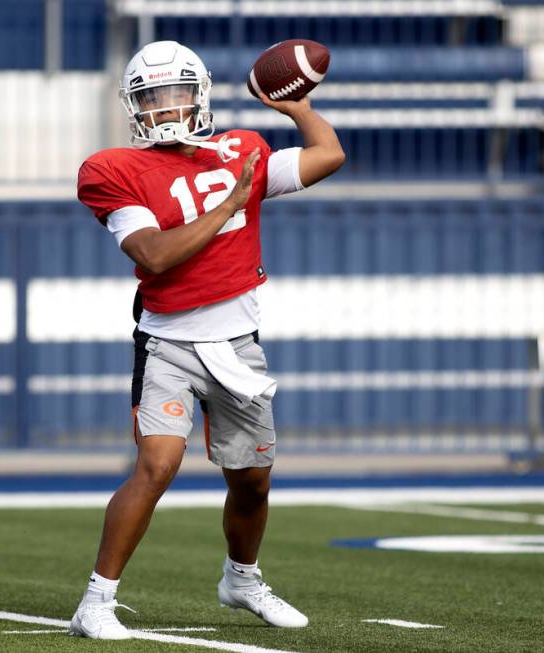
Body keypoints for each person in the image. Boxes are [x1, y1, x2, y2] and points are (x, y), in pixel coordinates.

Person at [69, 41, 345, 639]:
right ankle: (97, 601)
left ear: (200, 95)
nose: (167, 108)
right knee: (158, 464)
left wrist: (293, 104)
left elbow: (329, 154)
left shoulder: (241, 148)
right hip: (169, 342)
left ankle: (241, 579)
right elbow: (154, 255)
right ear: (134, 106)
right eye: (153, 97)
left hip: (237, 345)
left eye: (177, 93)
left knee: (252, 480)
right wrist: (230, 204)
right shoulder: (111, 168)